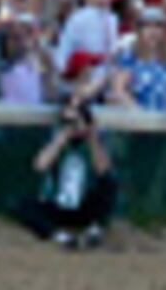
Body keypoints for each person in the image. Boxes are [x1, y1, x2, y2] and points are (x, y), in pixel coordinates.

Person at [13, 91, 119, 248]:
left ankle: (94, 231)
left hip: (84, 205)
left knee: (110, 186)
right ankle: (61, 237)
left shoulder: (94, 142)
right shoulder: (56, 139)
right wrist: (62, 138)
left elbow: (103, 170)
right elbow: (40, 165)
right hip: (57, 205)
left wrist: (91, 137)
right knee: (23, 205)